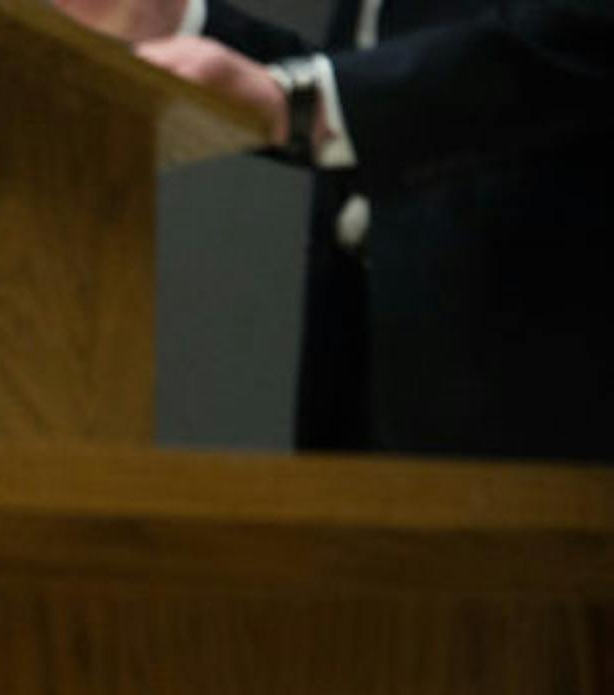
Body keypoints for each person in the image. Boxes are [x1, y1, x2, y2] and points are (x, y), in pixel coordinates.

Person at [53, 0, 614, 460]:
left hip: (543, 394)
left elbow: (578, 34)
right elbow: (369, 82)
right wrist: (168, 21)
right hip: (379, 370)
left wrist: (303, 106)